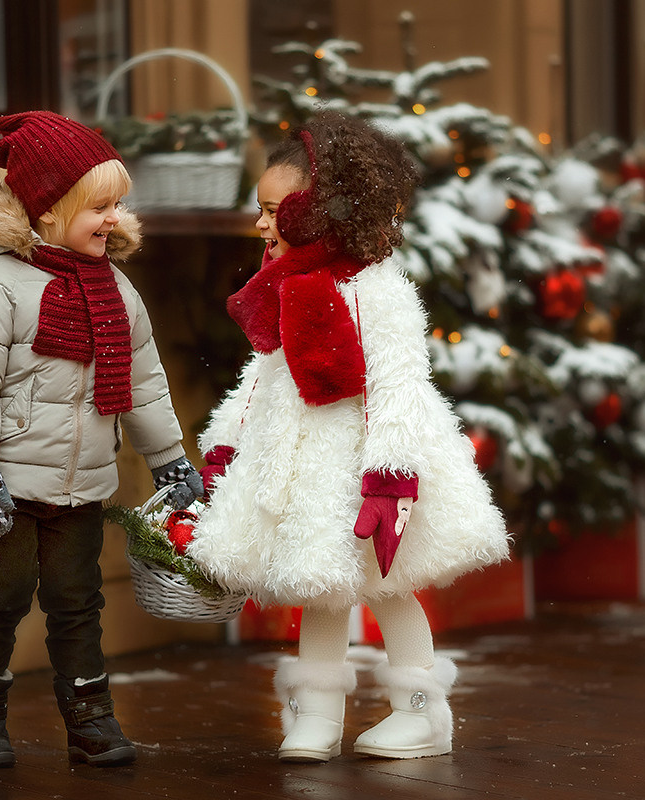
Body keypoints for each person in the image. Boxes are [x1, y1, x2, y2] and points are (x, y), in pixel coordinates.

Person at [190, 113, 509, 762]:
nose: (261, 223)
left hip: (365, 463)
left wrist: (391, 479)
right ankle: (317, 716)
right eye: (261, 209)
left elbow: (400, 387)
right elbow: (262, 375)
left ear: (321, 211)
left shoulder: (376, 293)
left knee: (388, 588)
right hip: (305, 465)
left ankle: (421, 713)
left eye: (275, 210)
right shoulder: (285, 288)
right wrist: (227, 440)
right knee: (321, 586)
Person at [0, 111, 203, 769]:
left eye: (118, 205)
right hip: (4, 482)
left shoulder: (116, 290)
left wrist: (169, 457)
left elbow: (143, 382)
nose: (113, 218)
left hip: (81, 483)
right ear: (48, 209)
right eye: (98, 206)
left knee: (77, 604)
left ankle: (90, 719)